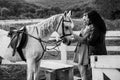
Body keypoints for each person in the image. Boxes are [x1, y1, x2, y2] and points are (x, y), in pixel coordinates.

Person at [69, 10, 107, 80]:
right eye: (84, 19)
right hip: (96, 52)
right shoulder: (96, 27)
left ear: (92, 18)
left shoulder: (94, 28)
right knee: (95, 73)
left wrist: (77, 37)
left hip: (95, 53)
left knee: (95, 73)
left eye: (87, 18)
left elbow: (90, 41)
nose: (86, 20)